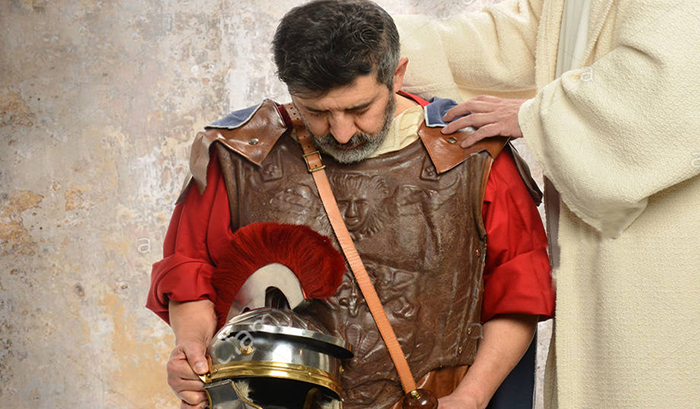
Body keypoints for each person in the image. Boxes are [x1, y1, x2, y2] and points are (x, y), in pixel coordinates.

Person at [146, 1, 555, 408]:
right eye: (316, 112)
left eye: (359, 109)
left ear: (397, 75)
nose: (341, 133)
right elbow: (192, 271)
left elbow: (518, 290)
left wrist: (472, 396)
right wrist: (191, 347)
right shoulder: (238, 154)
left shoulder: (472, 152)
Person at [393, 0, 700, 408]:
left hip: (662, 243)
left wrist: (534, 115)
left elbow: (673, 81)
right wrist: (380, 38)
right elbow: (524, 38)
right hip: (602, 247)